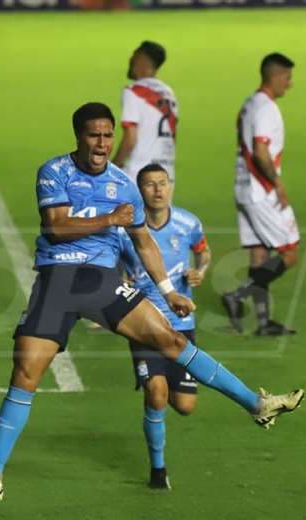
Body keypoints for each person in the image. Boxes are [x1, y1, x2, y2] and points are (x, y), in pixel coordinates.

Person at [0, 102, 304, 502]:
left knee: (172, 342)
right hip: (56, 280)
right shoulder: (53, 171)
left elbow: (143, 241)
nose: (102, 143)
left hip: (101, 281)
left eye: (108, 135)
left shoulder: (124, 184)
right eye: (94, 135)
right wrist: (110, 220)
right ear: (78, 136)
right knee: (25, 374)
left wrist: (168, 290)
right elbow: (55, 226)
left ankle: (256, 404)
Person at [118, 163, 211, 490]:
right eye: (149, 184)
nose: (157, 189)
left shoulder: (188, 223)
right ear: (139, 191)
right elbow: (113, 262)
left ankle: (159, 386)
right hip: (143, 321)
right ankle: (158, 470)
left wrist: (199, 271)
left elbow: (204, 251)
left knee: (185, 406)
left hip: (181, 324)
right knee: (156, 394)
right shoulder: (127, 230)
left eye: (162, 183)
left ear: (170, 186)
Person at [221, 53, 298, 336]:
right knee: (290, 253)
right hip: (260, 190)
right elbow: (261, 149)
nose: (289, 85)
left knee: (259, 254)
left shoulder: (250, 103)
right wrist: (276, 182)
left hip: (242, 186)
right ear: (275, 76)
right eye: (287, 78)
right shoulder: (267, 108)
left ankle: (263, 322)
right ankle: (237, 296)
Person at [112, 41, 178, 185]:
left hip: (139, 175)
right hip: (166, 177)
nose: (130, 60)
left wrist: (112, 168)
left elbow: (130, 138)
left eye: (134, 55)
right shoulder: (168, 94)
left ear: (141, 59)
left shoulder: (134, 91)